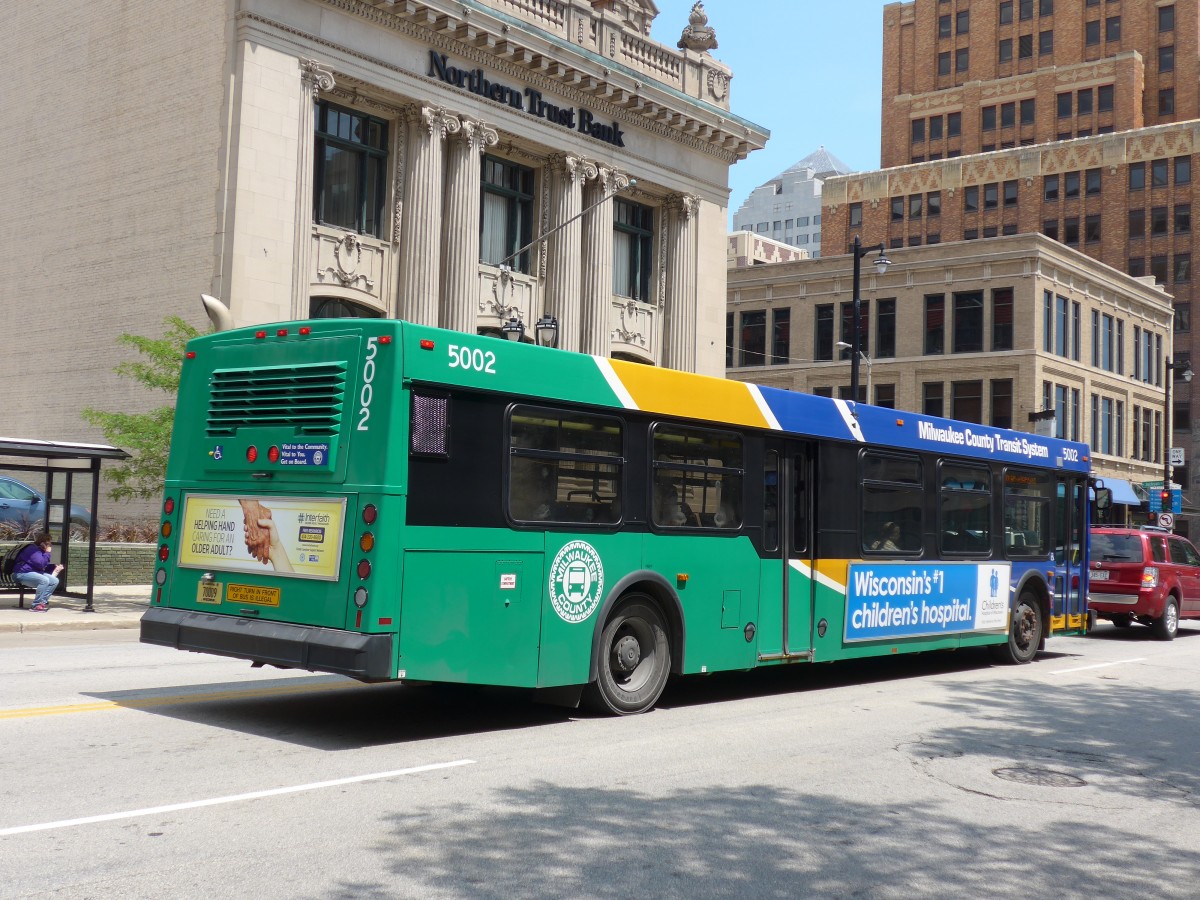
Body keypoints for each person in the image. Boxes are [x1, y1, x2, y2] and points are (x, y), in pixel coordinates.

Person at [12, 532, 65, 611]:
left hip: (32, 573)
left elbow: (43, 566)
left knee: (54, 581)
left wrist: (55, 568)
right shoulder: (32, 549)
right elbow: (40, 564)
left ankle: (41, 603)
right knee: (44, 580)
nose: (50, 545)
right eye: (49, 543)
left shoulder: (40, 550)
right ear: (42, 542)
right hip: (21, 574)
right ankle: (35, 605)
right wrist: (47, 552)